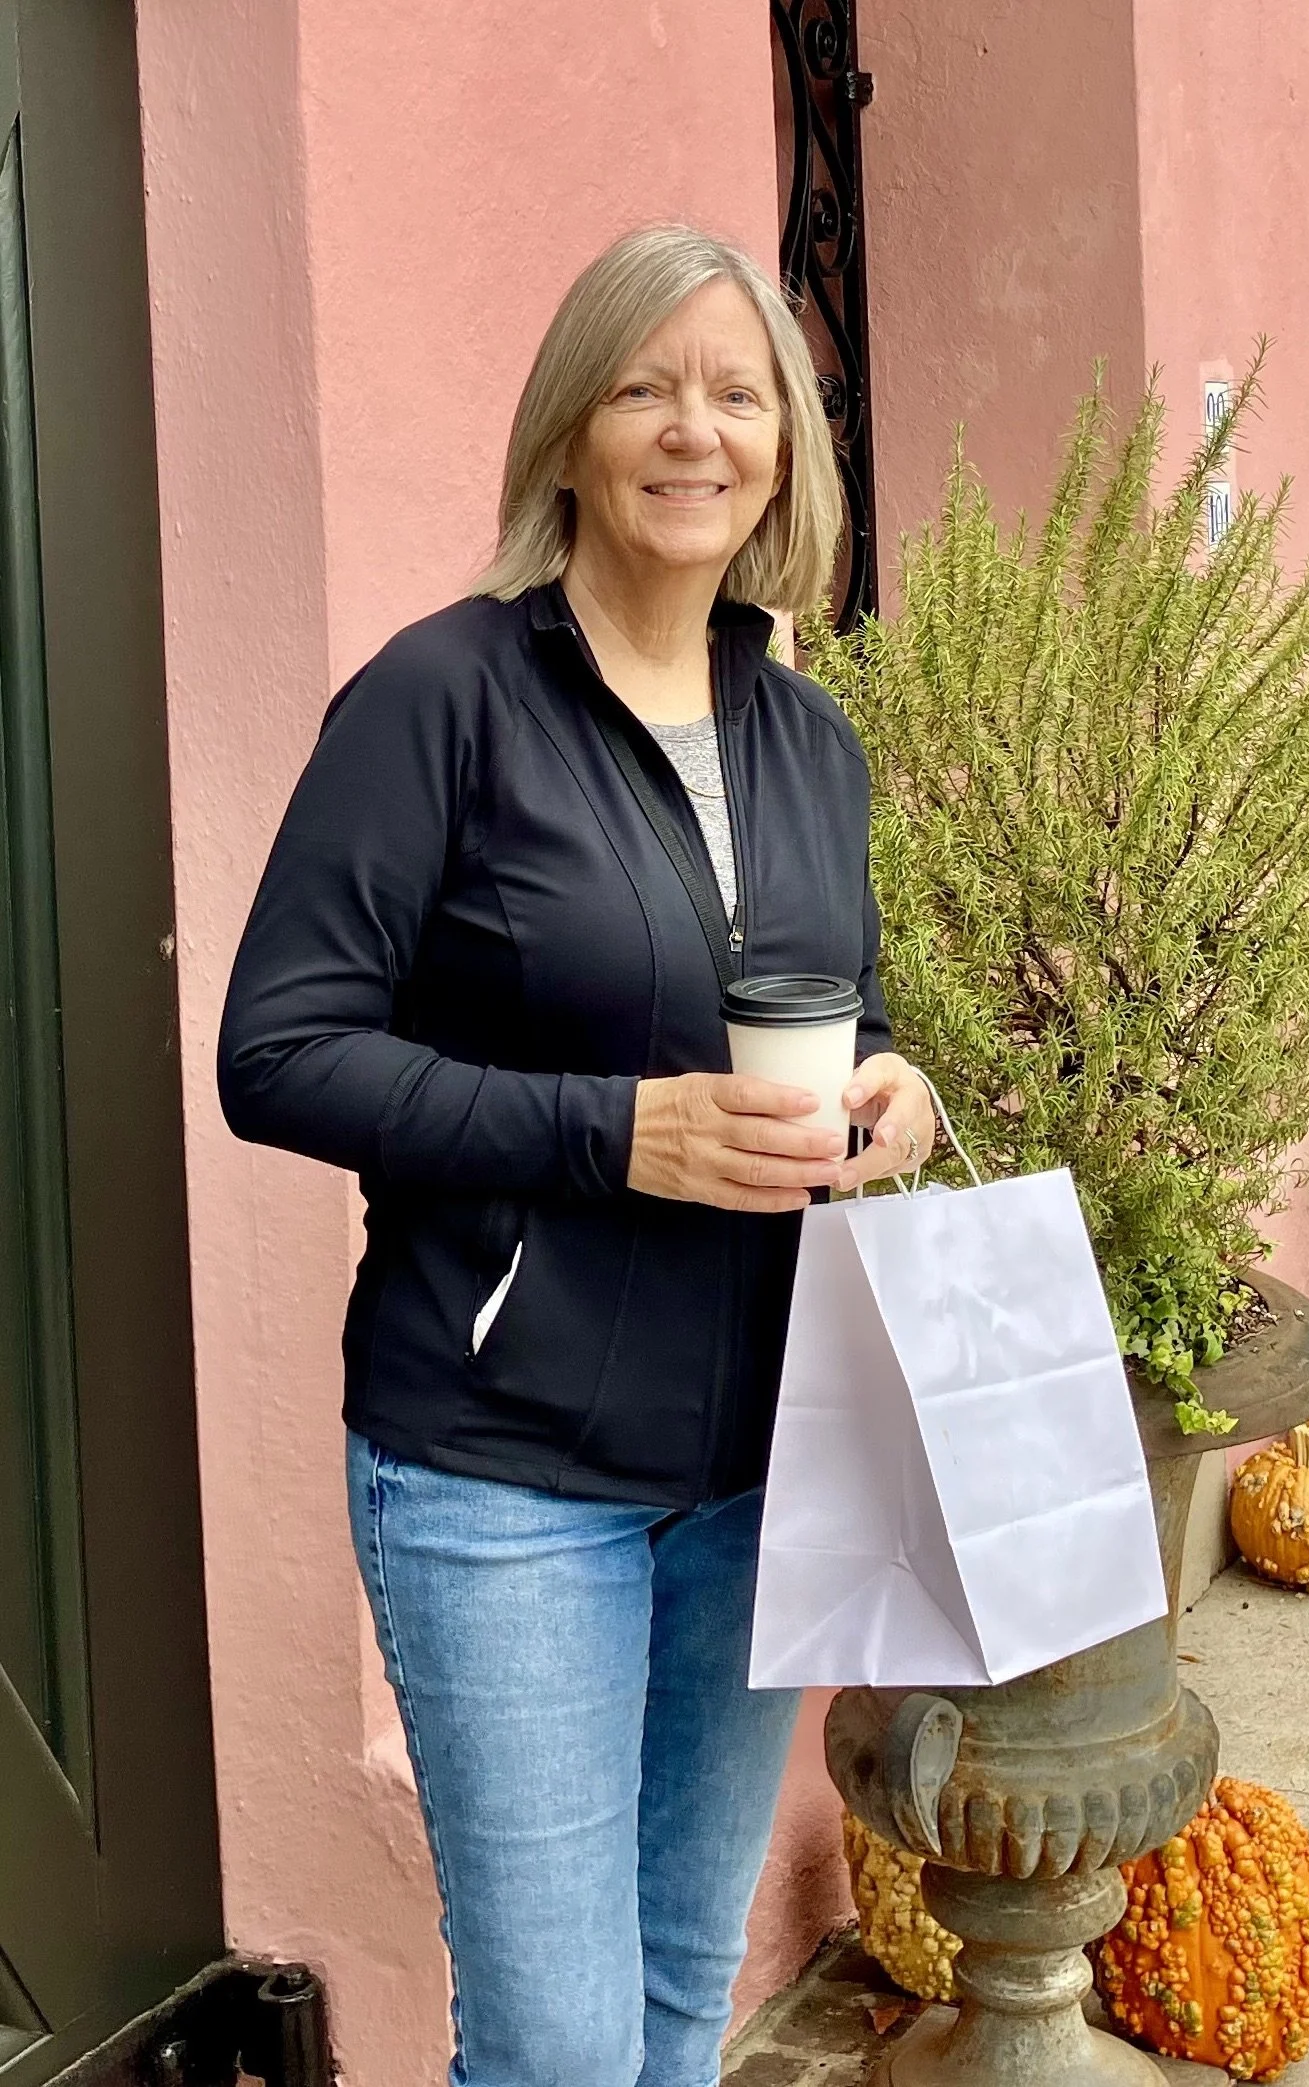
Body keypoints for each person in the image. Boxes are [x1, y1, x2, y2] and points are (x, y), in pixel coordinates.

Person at [218, 224, 936, 2087]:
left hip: (760, 1469)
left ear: (788, 445)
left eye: (738, 390)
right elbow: (277, 1055)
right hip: (503, 1471)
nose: (693, 430)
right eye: (645, 386)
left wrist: (891, 1084)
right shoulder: (439, 698)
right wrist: (618, 1134)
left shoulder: (809, 739)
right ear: (568, 432)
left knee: (681, 1999)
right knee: (553, 2047)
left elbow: (815, 1018)